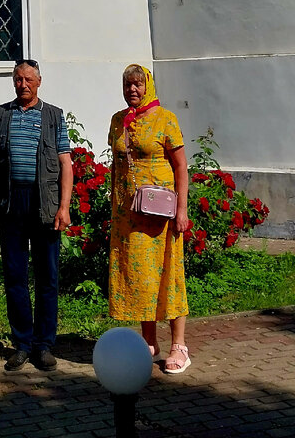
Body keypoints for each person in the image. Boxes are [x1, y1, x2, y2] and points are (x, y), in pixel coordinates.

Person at [0, 59, 72, 372]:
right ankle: (22, 343)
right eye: (18, 79)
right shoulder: (1, 115)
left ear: (39, 82)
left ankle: (44, 345)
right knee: (15, 277)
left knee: (47, 277)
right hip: (11, 205)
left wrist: (64, 206)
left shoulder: (53, 115)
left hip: (45, 203)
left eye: (28, 79)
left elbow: (65, 163)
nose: (23, 84)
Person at [108, 64, 191, 374]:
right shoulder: (118, 121)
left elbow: (181, 167)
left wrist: (182, 210)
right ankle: (150, 343)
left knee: (169, 276)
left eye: (139, 84)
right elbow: (117, 167)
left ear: (149, 87)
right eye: (128, 84)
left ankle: (179, 346)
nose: (133, 89)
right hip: (130, 217)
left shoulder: (166, 119)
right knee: (141, 279)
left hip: (161, 217)